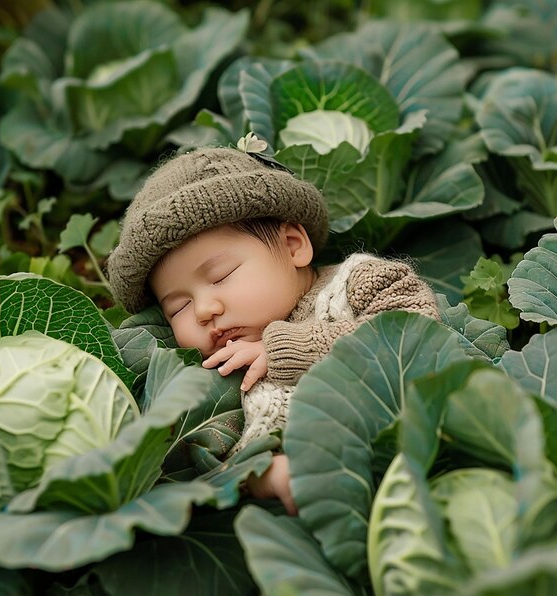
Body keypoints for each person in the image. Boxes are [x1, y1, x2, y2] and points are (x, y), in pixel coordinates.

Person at [106, 145, 439, 515]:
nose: (204, 310)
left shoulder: (356, 283)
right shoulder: (218, 376)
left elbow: (415, 328)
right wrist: (263, 475)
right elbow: (206, 460)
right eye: (178, 307)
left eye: (221, 276)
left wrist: (286, 348)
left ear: (294, 246)